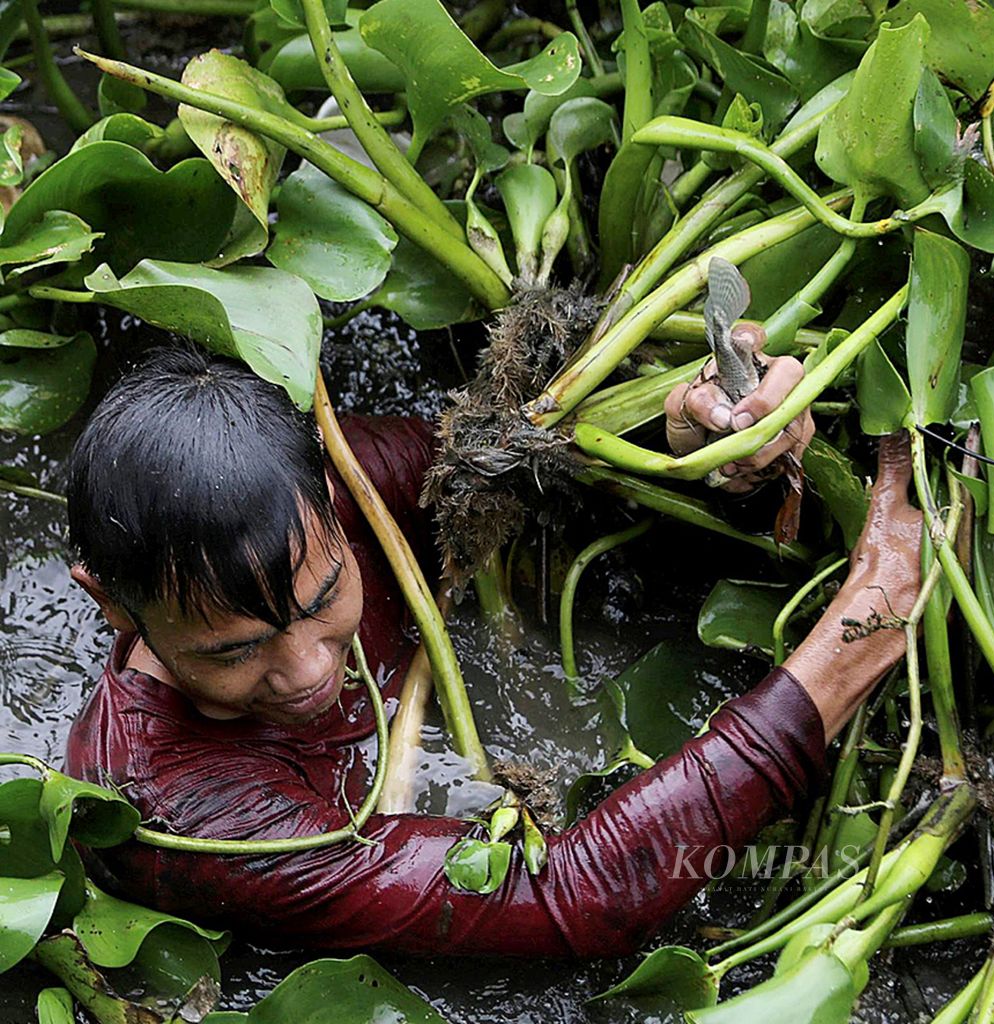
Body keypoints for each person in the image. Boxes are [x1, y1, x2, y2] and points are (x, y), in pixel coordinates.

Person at [64, 338, 920, 957]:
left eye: (325, 600)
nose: (310, 669)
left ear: (331, 488)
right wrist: (851, 642)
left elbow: (527, 464)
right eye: (233, 652)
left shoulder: (340, 478)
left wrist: (698, 435)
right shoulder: (182, 815)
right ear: (110, 605)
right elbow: (568, 900)